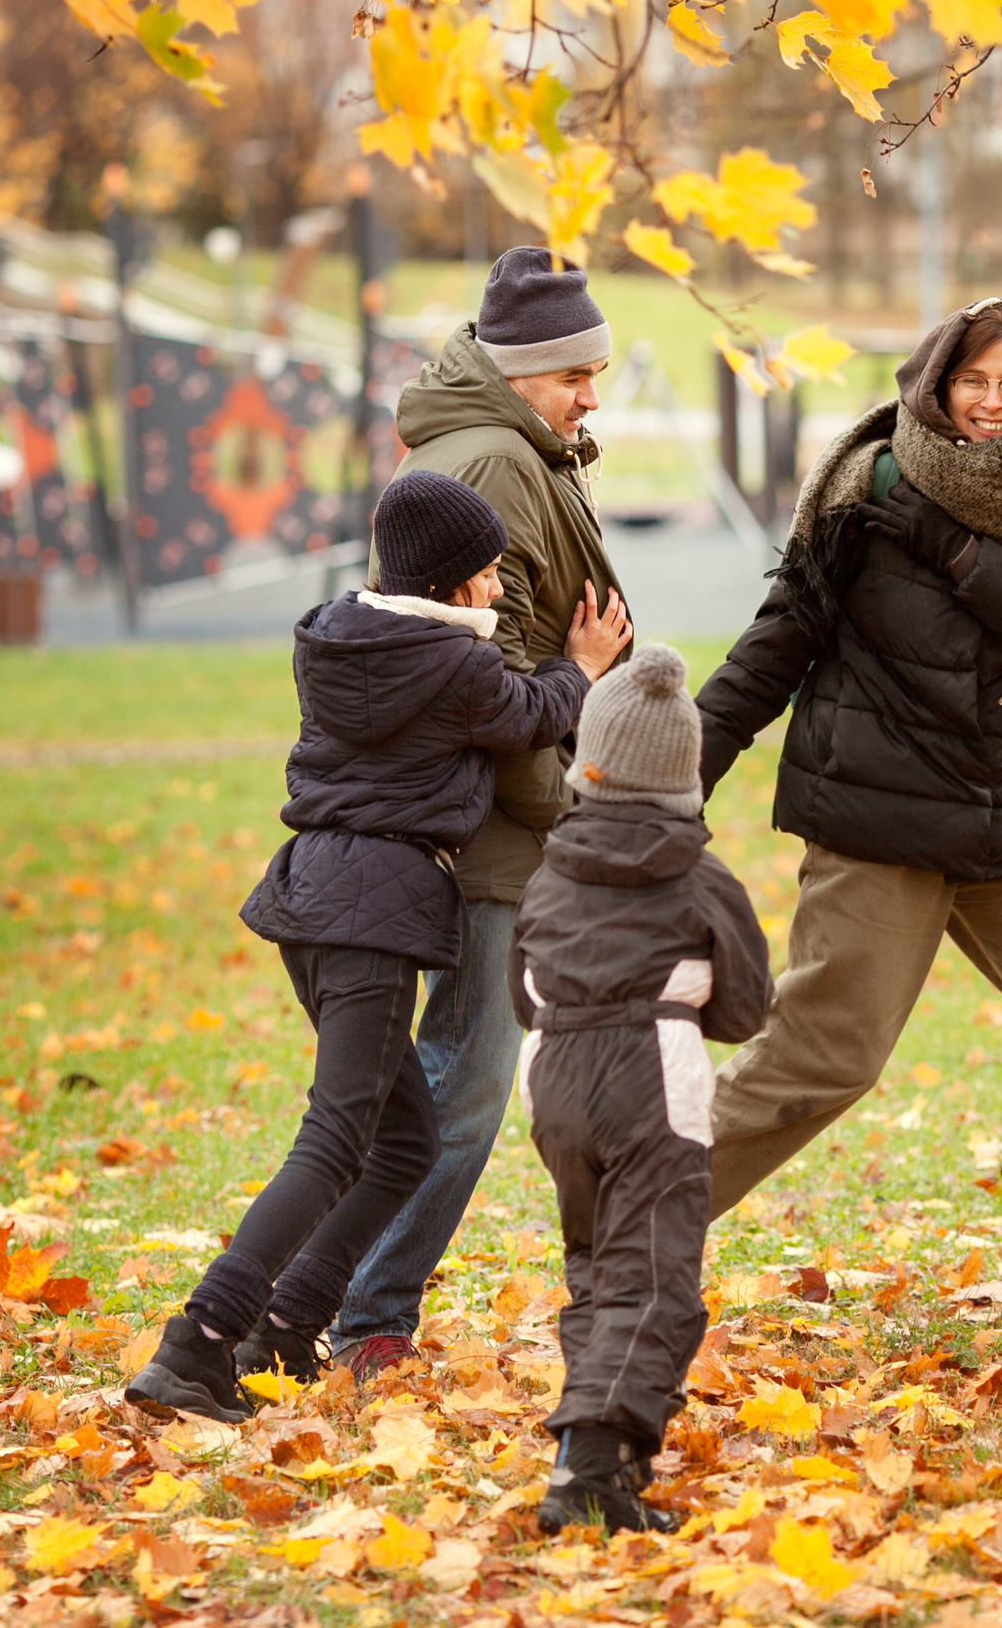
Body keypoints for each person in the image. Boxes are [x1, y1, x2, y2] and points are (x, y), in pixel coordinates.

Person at [694, 297, 1002, 1316]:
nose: (994, 403)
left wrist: (956, 551)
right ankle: (632, 1219)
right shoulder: (861, 502)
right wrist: (677, 772)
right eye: (975, 381)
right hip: (882, 826)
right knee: (823, 1059)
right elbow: (774, 646)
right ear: (935, 388)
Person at [125, 472, 631, 1422]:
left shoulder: (333, 634)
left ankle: (287, 1325)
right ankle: (194, 1344)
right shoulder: (452, 663)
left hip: (311, 889)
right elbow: (531, 716)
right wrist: (586, 666)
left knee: (404, 1142)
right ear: (445, 585)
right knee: (334, 1141)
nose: (493, 593)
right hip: (375, 908)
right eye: (483, 576)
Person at [327, 249, 633, 1379]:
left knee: (442, 1081)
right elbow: (484, 677)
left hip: (485, 819)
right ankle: (364, 1316)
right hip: (491, 830)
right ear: (519, 374)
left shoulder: (512, 446)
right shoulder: (499, 461)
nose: (591, 396)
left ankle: (349, 1299)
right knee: (462, 1087)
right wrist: (567, 798)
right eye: (574, 376)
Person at [509, 645, 771, 1532]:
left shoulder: (549, 870)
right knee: (655, 1280)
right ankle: (590, 1469)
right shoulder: (701, 879)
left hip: (550, 1080)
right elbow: (745, 1007)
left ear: (590, 759)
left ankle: (598, 1457)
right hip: (650, 1079)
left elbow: (522, 982)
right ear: (684, 777)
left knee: (596, 1269)